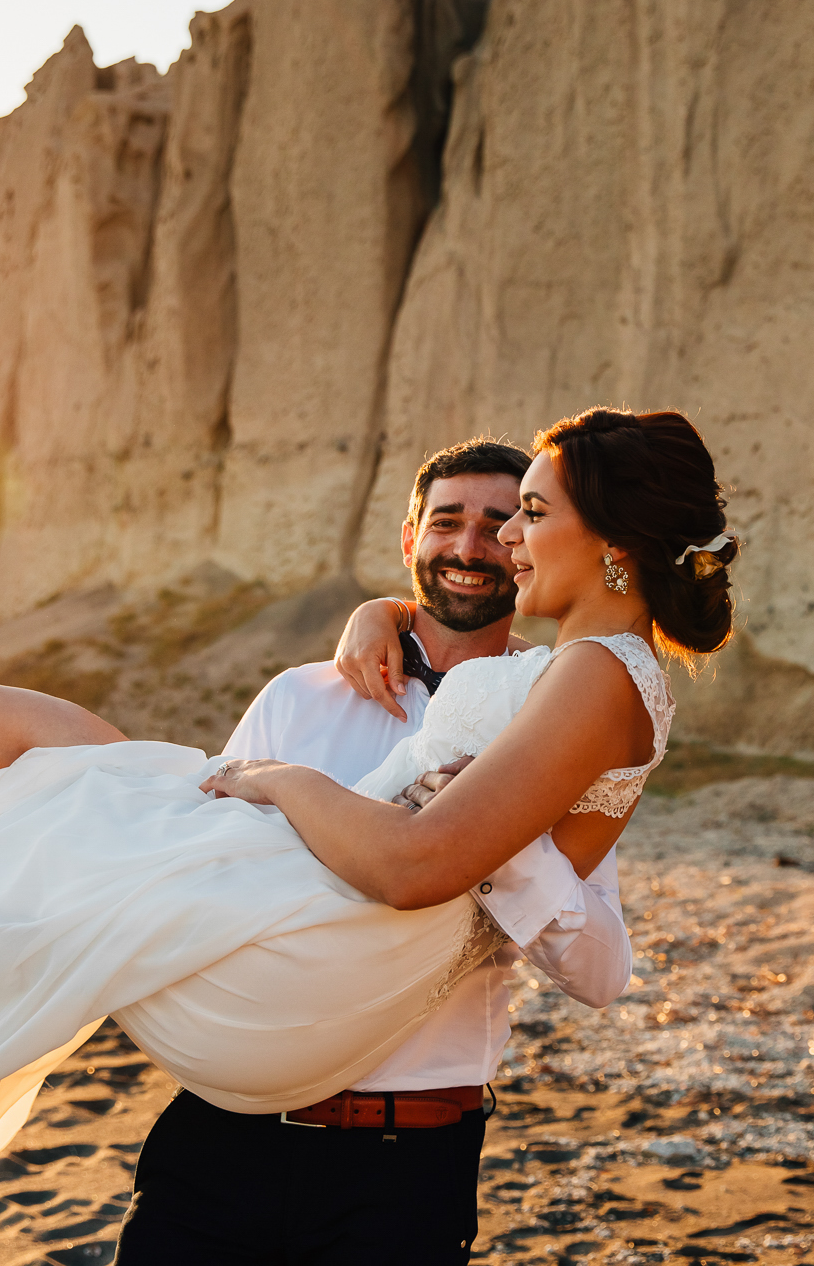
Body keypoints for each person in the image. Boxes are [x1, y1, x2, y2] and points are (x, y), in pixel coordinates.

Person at [0, 407, 741, 1266]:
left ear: (613, 542)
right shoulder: (564, 670)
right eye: (469, 520)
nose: (500, 540)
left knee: (54, 772)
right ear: (409, 542)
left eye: (526, 514)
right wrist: (381, 619)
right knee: (55, 752)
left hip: (358, 1006)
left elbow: (417, 864)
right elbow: (475, 725)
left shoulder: (595, 673)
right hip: (267, 1070)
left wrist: (283, 781)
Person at [118, 437, 636, 1264]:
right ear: (408, 541)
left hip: (405, 1167)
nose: (468, 547)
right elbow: (207, 887)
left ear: (525, 546)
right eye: (445, 523)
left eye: (499, 523)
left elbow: (602, 973)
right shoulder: (297, 697)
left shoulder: (557, 724)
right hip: (223, 1138)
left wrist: (499, 845)